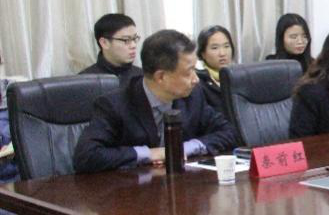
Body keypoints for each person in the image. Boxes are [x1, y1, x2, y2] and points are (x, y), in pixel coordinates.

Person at [73, 30, 238, 173]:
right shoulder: (114, 105)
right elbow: (86, 156)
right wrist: (150, 154)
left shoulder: (193, 96)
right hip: (131, 192)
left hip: (182, 186)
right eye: (188, 72)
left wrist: (183, 148)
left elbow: (229, 133)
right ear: (161, 77)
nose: (195, 79)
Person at [80, 13, 142, 85]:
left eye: (135, 38)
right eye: (126, 40)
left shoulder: (144, 77)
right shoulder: (84, 82)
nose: (133, 45)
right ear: (104, 43)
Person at [195, 25, 234, 114]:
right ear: (203, 53)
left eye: (226, 46)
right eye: (215, 48)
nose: (222, 53)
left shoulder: (238, 75)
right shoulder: (197, 81)